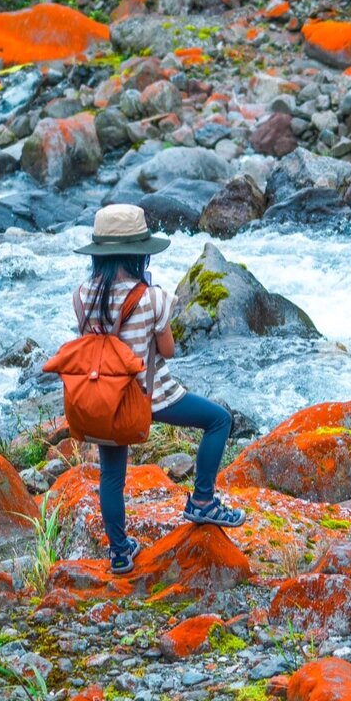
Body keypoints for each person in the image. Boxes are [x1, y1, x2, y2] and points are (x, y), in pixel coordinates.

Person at [68, 204, 244, 575]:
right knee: (218, 421)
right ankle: (202, 500)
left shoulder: (81, 295)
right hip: (152, 395)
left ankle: (119, 553)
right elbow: (167, 351)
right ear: (138, 254)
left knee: (111, 475)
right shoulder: (153, 298)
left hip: (106, 399)